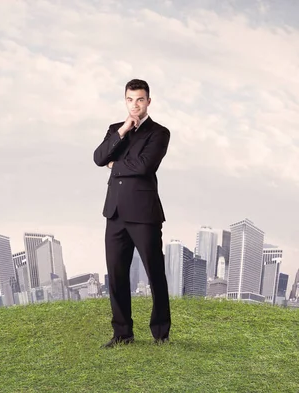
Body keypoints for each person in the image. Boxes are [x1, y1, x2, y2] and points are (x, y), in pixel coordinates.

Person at [93, 79, 171, 347]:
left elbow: (145, 166)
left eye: (140, 99)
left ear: (148, 101)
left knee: (155, 273)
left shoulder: (159, 133)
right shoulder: (116, 129)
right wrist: (124, 130)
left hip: (144, 214)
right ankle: (122, 333)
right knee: (115, 275)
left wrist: (115, 165)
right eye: (130, 99)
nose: (135, 104)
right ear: (125, 100)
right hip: (114, 213)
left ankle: (161, 333)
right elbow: (98, 157)